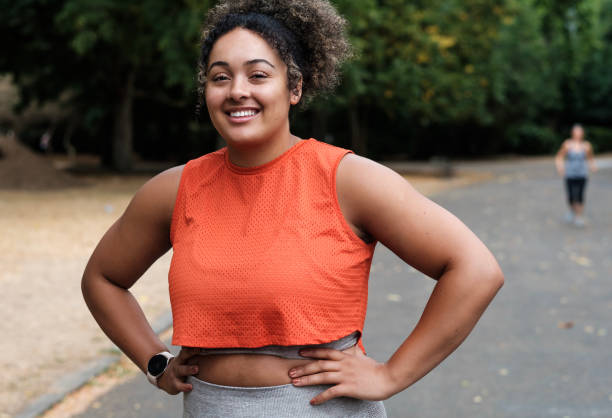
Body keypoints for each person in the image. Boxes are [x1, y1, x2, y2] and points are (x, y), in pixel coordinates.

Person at [81, 1, 504, 416]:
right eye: (220, 77)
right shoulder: (174, 190)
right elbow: (103, 278)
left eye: (258, 75)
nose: (237, 91)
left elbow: (475, 270)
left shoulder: (347, 179)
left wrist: (391, 374)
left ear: (295, 87)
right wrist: (155, 361)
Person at [555, 124, 597, 227]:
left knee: (579, 195)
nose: (578, 134)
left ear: (582, 133)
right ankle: (572, 211)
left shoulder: (586, 145)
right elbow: (559, 157)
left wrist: (592, 166)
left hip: (582, 174)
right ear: (572, 133)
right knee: (571, 196)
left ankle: (578, 217)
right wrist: (560, 167)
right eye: (576, 132)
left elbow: (590, 158)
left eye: (580, 132)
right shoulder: (567, 144)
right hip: (570, 174)